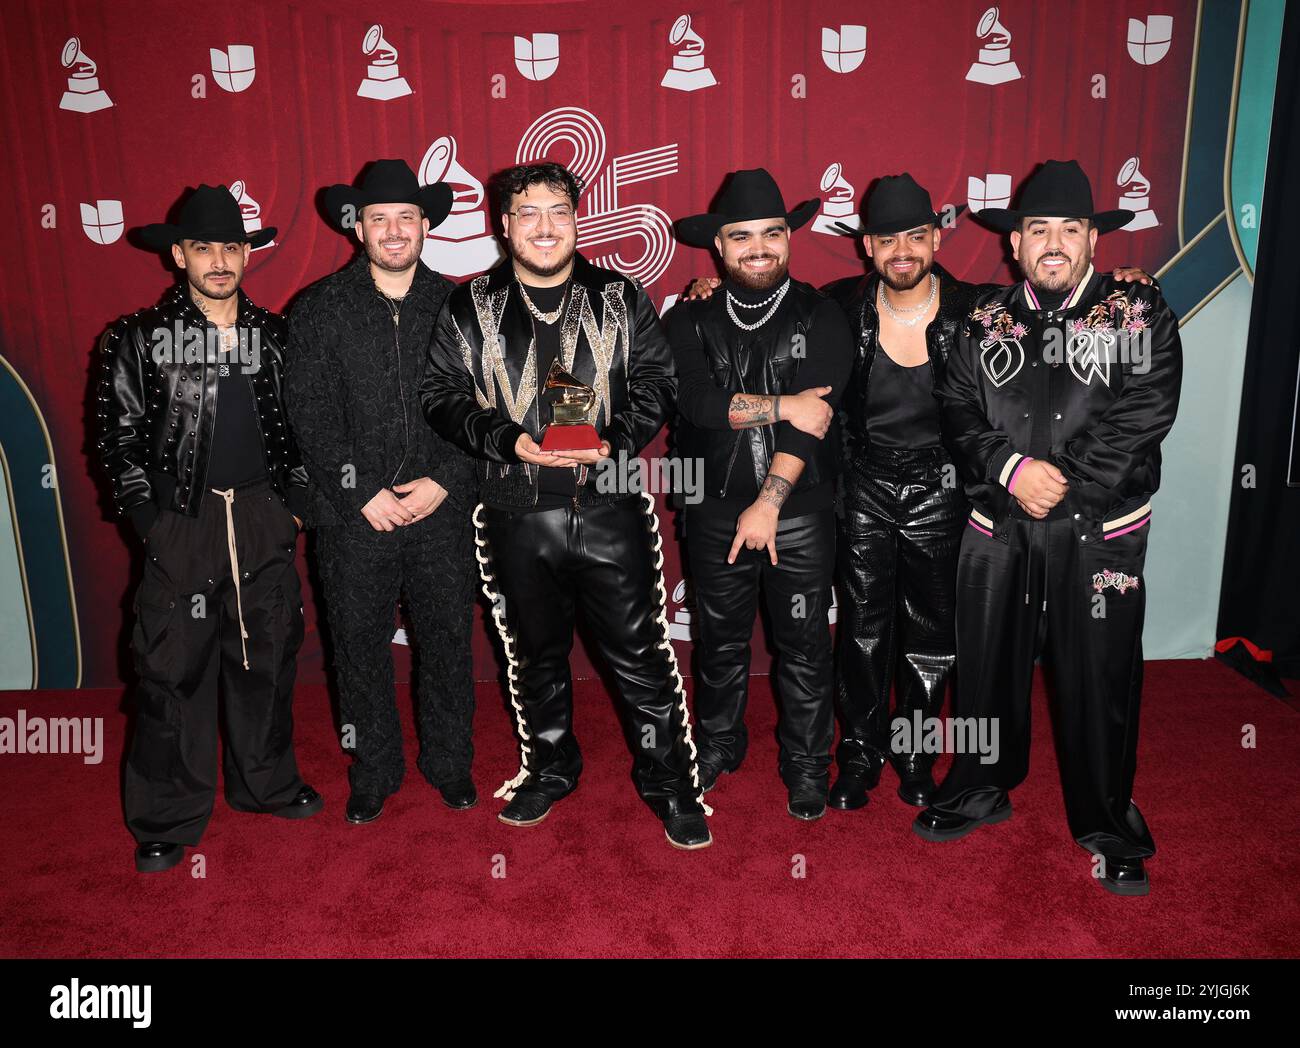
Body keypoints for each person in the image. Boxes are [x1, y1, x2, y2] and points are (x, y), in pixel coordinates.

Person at [419, 161, 712, 850]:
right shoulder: (470, 304)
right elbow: (441, 395)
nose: (544, 226)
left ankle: (670, 782)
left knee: (641, 654)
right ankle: (551, 768)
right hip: (515, 510)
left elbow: (656, 381)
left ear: (579, 219)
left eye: (558, 210)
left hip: (608, 504)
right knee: (534, 654)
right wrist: (506, 442)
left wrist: (613, 442)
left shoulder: (619, 293)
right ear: (503, 225)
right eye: (528, 213)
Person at [914, 160, 1182, 898]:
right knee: (985, 665)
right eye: (1040, 230)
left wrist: (1057, 481)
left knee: (1099, 677)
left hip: (1099, 530)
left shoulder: (1139, 313)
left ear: (1094, 239)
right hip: (997, 522)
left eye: (1071, 229)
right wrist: (1010, 473)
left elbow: (1145, 412)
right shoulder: (981, 318)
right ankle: (978, 786)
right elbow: (958, 409)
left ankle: (1106, 824)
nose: (1055, 243)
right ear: (1015, 245)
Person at [97, 184, 321, 873]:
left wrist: (296, 507)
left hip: (261, 515)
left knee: (268, 655)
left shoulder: (274, 336)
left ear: (247, 254)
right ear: (178, 257)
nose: (220, 259)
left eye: (232, 246)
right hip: (183, 522)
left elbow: (305, 432)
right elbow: (117, 443)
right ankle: (165, 816)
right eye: (204, 247)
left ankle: (266, 784)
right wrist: (152, 526)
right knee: (171, 670)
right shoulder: (136, 338)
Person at [284, 160, 477, 825]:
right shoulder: (318, 308)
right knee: (358, 649)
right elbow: (307, 411)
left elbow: (479, 405)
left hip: (440, 510)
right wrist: (362, 491)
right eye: (378, 219)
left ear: (426, 224)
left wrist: (447, 480)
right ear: (357, 226)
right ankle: (375, 769)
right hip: (353, 515)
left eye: (405, 217)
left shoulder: (461, 306)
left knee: (449, 642)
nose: (394, 231)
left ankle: (450, 763)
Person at [670, 168, 854, 821]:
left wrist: (769, 503)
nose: (758, 247)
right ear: (717, 247)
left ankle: (806, 763)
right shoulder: (688, 317)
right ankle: (719, 744)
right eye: (741, 236)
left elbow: (815, 423)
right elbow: (696, 403)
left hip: (799, 511)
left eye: (771, 233)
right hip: (712, 508)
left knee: (803, 643)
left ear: (789, 239)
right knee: (718, 642)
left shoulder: (822, 314)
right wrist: (782, 403)